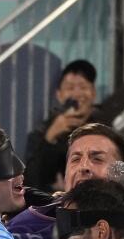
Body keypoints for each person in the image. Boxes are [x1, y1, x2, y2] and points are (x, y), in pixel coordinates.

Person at [24, 60, 108, 192]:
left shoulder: (107, 129)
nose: (77, 93)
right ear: (59, 94)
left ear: (93, 93)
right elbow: (31, 182)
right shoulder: (41, 133)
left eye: (83, 87)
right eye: (70, 88)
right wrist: (50, 137)